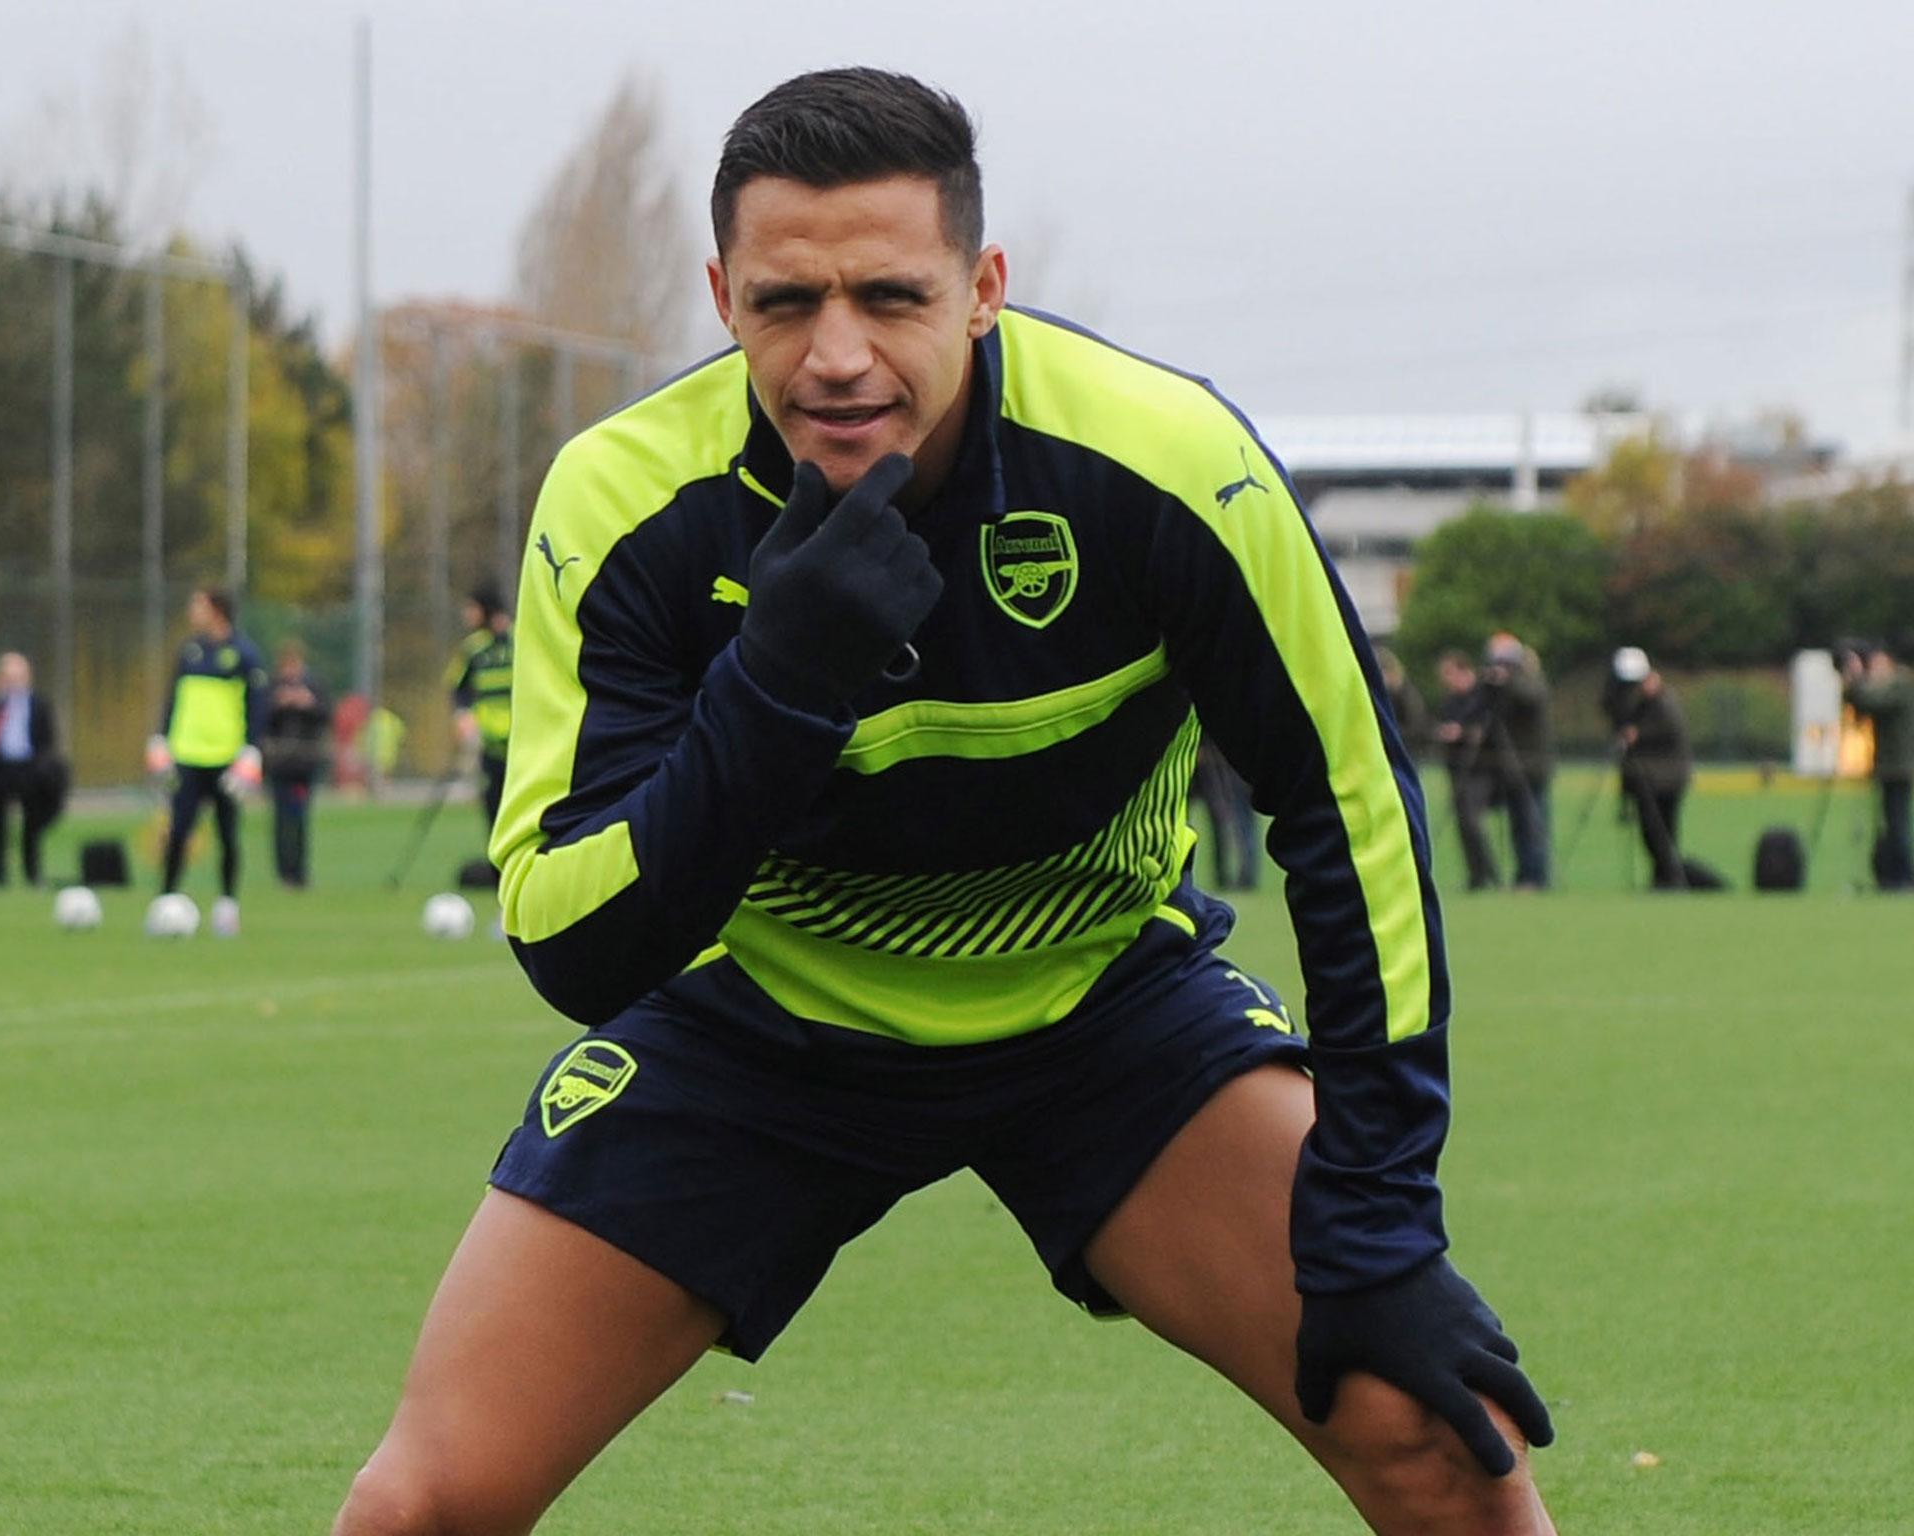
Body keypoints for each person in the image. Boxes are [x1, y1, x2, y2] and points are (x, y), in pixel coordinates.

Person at [333, 69, 1554, 1536]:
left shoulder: (1167, 463)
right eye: (786, 303)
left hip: (1103, 1007)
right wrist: (776, 685)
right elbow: (569, 939)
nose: (836, 355)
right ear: (721, 294)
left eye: (890, 296)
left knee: (1437, 1438)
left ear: (982, 287)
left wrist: (1378, 1218)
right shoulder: (621, 504)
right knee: (423, 1508)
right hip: (757, 1021)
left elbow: (1349, 813)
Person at [146, 587, 266, 935]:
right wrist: (160, 738)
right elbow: (174, 698)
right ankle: (165, 901)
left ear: (216, 610)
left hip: (225, 759)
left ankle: (227, 906)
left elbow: (258, 706)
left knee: (228, 834)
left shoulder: (243, 654)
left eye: (198, 606)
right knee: (178, 830)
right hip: (187, 756)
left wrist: (250, 752)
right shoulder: (190, 651)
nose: (191, 612)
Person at [1601, 646, 1692, 890]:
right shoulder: (1633, 701)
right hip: (1646, 777)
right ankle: (1663, 876)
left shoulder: (1663, 700)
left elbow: (1669, 730)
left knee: (1662, 830)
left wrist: (1638, 735)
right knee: (1650, 831)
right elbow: (1611, 709)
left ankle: (1669, 877)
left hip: (1665, 778)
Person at [1477, 632, 1553, 890]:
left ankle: (1535, 875)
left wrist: (1506, 682)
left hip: (1531, 765)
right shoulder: (1505, 684)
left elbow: (1530, 699)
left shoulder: (1530, 680)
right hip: (1510, 765)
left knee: (1533, 823)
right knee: (1518, 824)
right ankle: (1523, 873)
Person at [0, 652, 60, 889]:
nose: (14, 681)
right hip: (1, 769)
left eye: (18, 676)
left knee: (31, 826)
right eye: (9, 676)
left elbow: (48, 738)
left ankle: (33, 873)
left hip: (29, 769)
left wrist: (42, 768)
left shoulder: (39, 703)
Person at [1841, 639, 1913, 890]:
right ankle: (1892, 874)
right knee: (1890, 821)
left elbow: (1872, 701)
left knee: (1897, 823)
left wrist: (1857, 678)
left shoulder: (1901, 684)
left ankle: (1903, 876)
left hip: (1899, 766)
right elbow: (1862, 706)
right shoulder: (1895, 684)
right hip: (1889, 765)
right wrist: (1852, 683)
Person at [260, 639, 332, 888]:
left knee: (299, 818)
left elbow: (326, 715)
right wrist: (278, 704)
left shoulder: (314, 688)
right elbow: (260, 718)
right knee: (280, 820)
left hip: (303, 764)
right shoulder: (271, 689)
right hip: (279, 764)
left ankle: (299, 873)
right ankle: (283, 874)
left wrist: (306, 703)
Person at [446, 584, 515, 832]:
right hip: (491, 745)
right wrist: (462, 716)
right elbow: (458, 688)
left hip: (523, 745)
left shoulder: (520, 640)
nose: (467, 613)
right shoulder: (473, 648)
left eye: (471, 607)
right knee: (493, 814)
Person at [1435, 650, 1501, 891]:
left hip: (1480, 768)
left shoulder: (1482, 696)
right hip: (1457, 767)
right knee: (1463, 823)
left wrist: (1461, 732)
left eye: (1449, 674)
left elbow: (1485, 729)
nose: (1446, 681)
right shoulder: (1451, 701)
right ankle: (1476, 875)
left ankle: (1490, 871)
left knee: (1473, 820)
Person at [1188, 735, 1258, 890]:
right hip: (1226, 771)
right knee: (1235, 826)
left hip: (1226, 772)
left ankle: (1241, 876)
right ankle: (1232, 876)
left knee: (1237, 825)